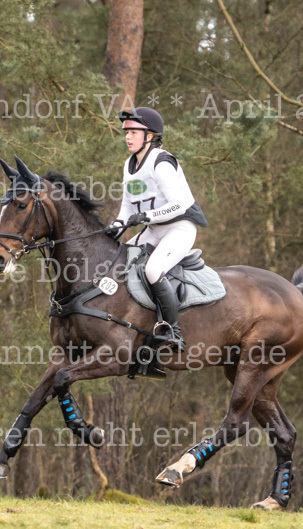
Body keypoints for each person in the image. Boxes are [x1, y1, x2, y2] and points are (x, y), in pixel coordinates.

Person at [110, 107, 208, 351]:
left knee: (153, 269)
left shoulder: (161, 162)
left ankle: (173, 331)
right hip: (153, 230)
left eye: (134, 132)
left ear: (150, 136)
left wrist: (147, 215)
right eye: (126, 133)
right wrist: (114, 229)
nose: (128, 137)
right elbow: (126, 208)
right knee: (116, 261)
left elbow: (179, 204)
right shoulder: (129, 165)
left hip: (179, 229)